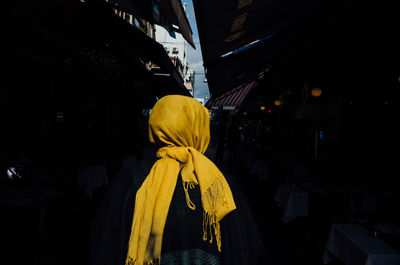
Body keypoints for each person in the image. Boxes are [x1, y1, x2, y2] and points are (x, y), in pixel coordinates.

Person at [90, 95, 265, 265]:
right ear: (200, 128)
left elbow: (104, 245)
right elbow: (248, 249)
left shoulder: (129, 180)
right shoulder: (222, 184)